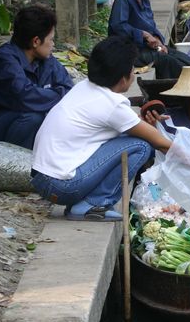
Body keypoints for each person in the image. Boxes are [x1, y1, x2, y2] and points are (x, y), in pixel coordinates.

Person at [30, 37, 173, 221]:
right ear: (123, 79)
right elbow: (159, 142)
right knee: (142, 146)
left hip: (45, 180)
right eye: (132, 70)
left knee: (132, 138)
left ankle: (85, 203)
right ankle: (95, 203)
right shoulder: (112, 104)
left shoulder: (84, 87)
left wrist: (144, 122)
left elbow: (129, 124)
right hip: (62, 186)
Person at [0, 6, 73, 149]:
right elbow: (25, 96)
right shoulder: (4, 60)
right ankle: (14, 167)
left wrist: (58, 94)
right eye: (51, 40)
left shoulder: (46, 60)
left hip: (22, 123)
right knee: (33, 117)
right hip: (0, 125)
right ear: (36, 41)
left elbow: (68, 88)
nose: (53, 45)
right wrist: (59, 94)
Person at [108, 0, 190, 79]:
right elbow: (118, 26)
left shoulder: (144, 0)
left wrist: (158, 41)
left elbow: (151, 27)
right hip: (129, 52)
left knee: (181, 56)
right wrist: (143, 34)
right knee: (169, 62)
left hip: (144, 48)